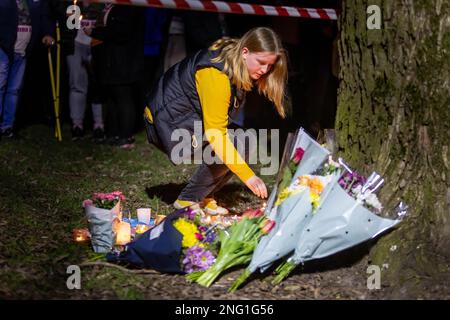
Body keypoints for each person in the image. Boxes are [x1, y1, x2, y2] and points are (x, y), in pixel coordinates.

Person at [144, 27, 288, 215]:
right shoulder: (216, 75)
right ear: (245, 52)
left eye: (270, 65)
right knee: (238, 143)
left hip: (182, 120)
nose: (265, 70)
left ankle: (205, 196)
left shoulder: (233, 61)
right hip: (167, 126)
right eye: (261, 62)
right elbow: (215, 134)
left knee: (244, 140)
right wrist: (249, 177)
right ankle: (188, 199)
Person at [84, 3, 144, 149]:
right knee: (113, 97)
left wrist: (94, 32)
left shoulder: (128, 6)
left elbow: (120, 33)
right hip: (113, 60)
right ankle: (114, 134)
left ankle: (125, 136)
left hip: (124, 61)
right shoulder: (114, 6)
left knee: (123, 97)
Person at [0, 0, 54, 138]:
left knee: (14, 90)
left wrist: (48, 33)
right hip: (4, 49)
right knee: (0, 86)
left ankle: (7, 127)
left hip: (22, 51)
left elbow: (44, 16)